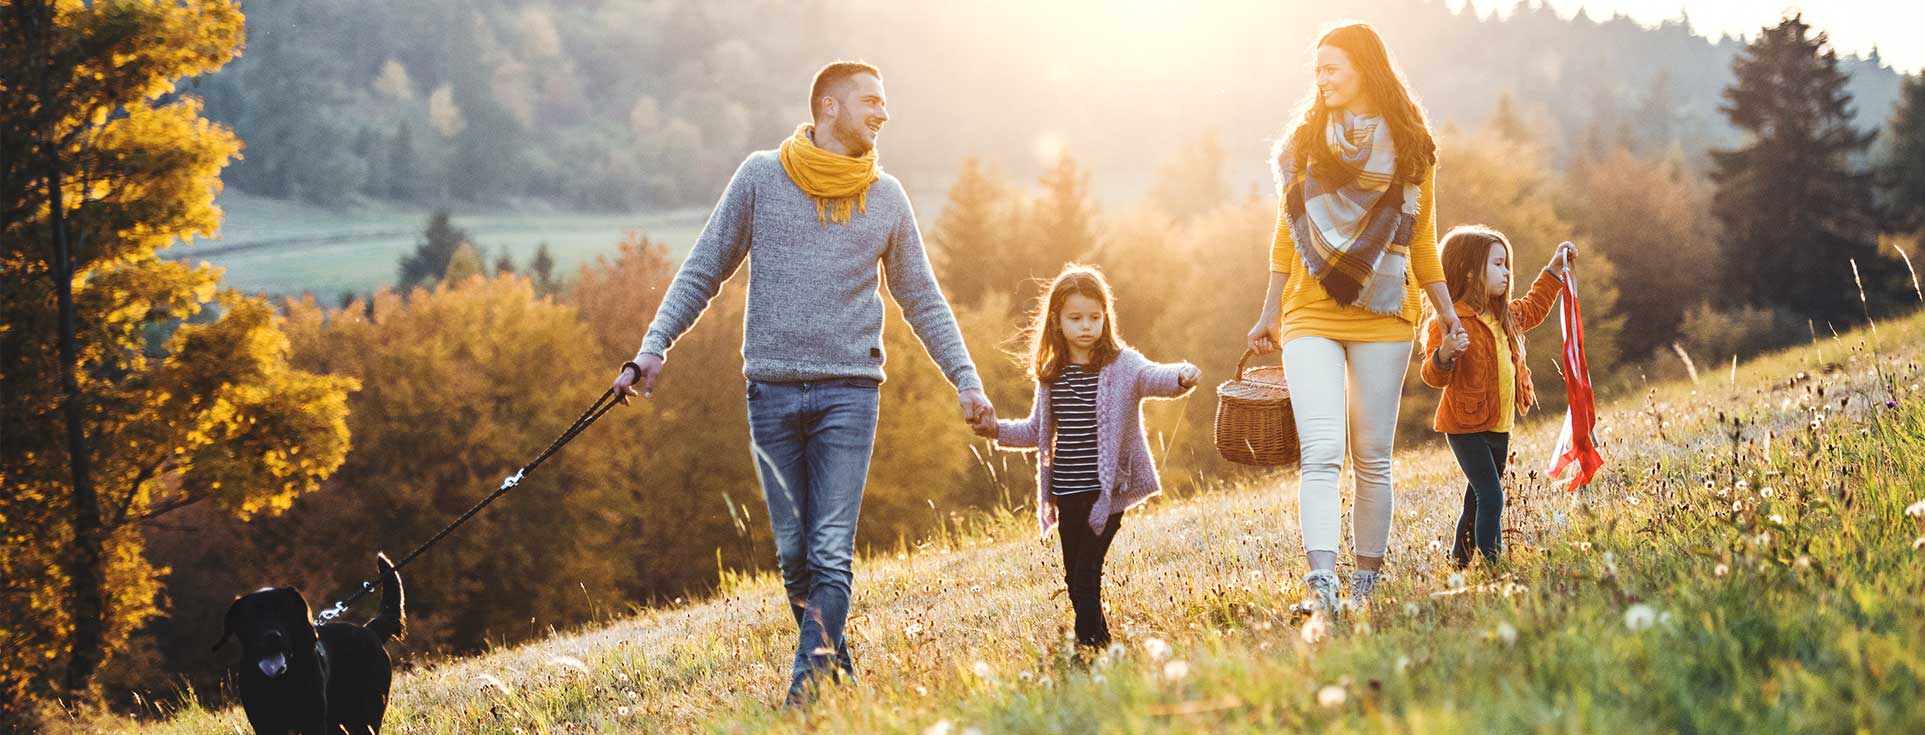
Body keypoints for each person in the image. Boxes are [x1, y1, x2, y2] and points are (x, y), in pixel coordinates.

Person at [611, 61, 996, 705]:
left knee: (829, 550)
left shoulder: (887, 197)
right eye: (871, 101)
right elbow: (705, 267)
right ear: (829, 107)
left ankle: (804, 697)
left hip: (850, 394)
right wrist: (654, 347)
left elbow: (923, 300)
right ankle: (838, 675)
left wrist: (967, 380)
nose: (883, 113)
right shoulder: (761, 177)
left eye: (885, 102)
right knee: (794, 556)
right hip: (771, 393)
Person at [1244, 23, 1461, 612]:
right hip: (1309, 313)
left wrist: (1448, 317)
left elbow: (1423, 240)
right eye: (1317, 70)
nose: (1322, 79)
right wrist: (1269, 312)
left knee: (1371, 457)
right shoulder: (1303, 144)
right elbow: (1287, 235)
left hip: (1386, 312)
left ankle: (1367, 584)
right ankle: (1322, 586)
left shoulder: (1412, 148)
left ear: (1364, 68)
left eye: (1332, 67)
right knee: (1320, 451)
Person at [978, 264, 1198, 651]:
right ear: (1057, 321)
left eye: (1094, 317)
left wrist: (1181, 376)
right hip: (1067, 494)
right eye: (1076, 318)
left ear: (1106, 317)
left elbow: (1154, 376)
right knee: (1073, 579)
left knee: (1086, 575)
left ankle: (1088, 651)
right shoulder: (1052, 373)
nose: (1086, 326)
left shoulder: (1123, 365)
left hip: (1105, 495)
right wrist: (996, 429)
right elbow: (1036, 432)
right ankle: (1101, 645)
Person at [1422, 227, 1576, 567]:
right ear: (1469, 270)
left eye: (1507, 264)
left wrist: (1554, 268)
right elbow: (1432, 376)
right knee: (1491, 497)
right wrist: (1445, 354)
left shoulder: (1502, 315)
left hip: (1499, 426)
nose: (1507, 272)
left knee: (1477, 501)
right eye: (1498, 264)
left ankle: (1458, 564)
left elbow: (1534, 307)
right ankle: (1496, 567)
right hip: (1465, 427)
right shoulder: (1451, 320)